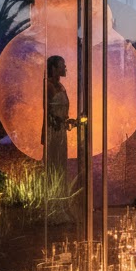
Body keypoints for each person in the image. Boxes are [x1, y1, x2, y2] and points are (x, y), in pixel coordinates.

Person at [43, 55, 77, 224]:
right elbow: (48, 111)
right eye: (62, 65)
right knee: (53, 166)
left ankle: (62, 205)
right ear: (54, 68)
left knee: (61, 166)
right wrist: (60, 121)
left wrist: (67, 120)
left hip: (61, 131)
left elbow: (61, 110)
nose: (65, 68)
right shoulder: (48, 86)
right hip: (53, 131)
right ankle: (53, 208)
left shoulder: (61, 86)